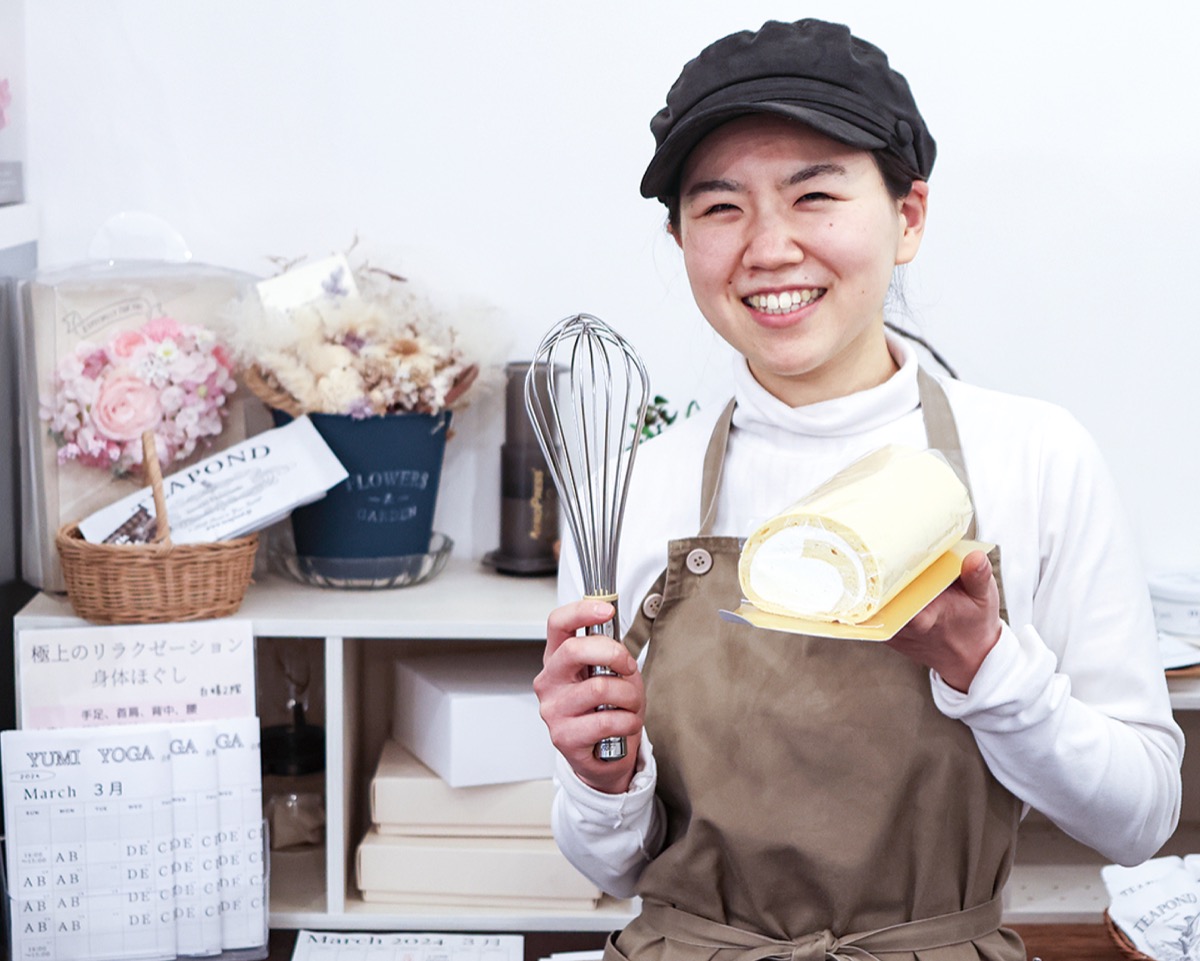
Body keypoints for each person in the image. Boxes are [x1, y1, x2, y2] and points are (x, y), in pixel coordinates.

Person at [533, 18, 1184, 961]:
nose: (767, 247)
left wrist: (987, 669)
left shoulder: (1033, 456)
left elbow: (1141, 819)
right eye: (719, 208)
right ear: (680, 238)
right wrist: (604, 771)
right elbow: (610, 869)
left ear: (908, 216)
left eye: (816, 195)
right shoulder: (637, 483)